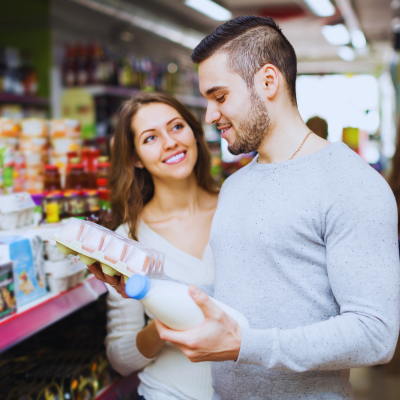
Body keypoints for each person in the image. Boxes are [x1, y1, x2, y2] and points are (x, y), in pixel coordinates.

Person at [153, 16, 400, 400]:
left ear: (268, 81)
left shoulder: (351, 184)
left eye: (219, 97)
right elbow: (238, 294)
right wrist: (142, 282)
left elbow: (375, 333)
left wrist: (246, 346)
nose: (209, 116)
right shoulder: (234, 186)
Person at [87, 92, 219, 400]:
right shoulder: (127, 241)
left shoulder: (240, 208)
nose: (170, 142)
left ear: (195, 134)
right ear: (135, 158)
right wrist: (164, 321)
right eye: (150, 138)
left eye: (176, 127)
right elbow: (120, 359)